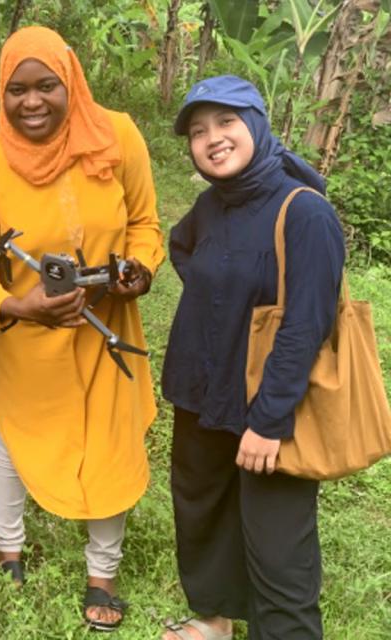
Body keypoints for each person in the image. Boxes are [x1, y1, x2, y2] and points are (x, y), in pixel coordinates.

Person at [0, 26, 164, 631]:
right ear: (2, 91)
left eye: (47, 86)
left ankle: (102, 572)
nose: (33, 101)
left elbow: (146, 224)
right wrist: (21, 307)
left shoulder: (117, 135)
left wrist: (138, 272)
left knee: (110, 443)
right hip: (29, 333)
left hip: (108, 328)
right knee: (17, 440)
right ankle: (8, 547)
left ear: (71, 82)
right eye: (18, 89)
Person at [160, 76, 344, 640]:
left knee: (277, 546)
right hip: (202, 395)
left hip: (269, 414)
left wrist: (267, 422)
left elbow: (305, 326)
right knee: (202, 515)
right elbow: (182, 246)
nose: (212, 139)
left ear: (258, 125)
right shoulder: (211, 205)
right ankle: (213, 621)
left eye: (226, 123)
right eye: (198, 131)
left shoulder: (304, 210)